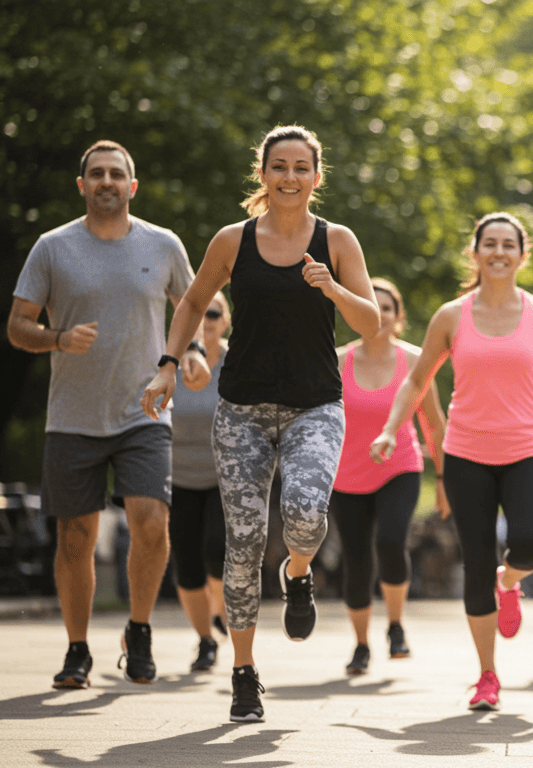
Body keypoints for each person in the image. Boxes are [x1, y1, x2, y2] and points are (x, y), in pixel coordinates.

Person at [141, 125, 381, 722]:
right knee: (242, 543)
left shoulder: (336, 240)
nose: (290, 177)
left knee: (305, 514)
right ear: (263, 173)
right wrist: (169, 363)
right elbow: (194, 301)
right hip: (242, 410)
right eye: (280, 166)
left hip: (315, 407)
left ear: (316, 177)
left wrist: (331, 288)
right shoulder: (233, 240)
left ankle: (297, 572)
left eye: (302, 167)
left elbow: (372, 322)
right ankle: (244, 674)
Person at [372, 212, 533, 712]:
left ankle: (510, 582)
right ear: (475, 253)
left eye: (508, 244)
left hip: (525, 450)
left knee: (530, 547)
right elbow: (416, 381)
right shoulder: (451, 316)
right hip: (465, 454)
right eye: (489, 244)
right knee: (476, 564)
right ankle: (487, 675)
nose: (498, 252)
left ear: (523, 255)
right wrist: (392, 428)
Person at [8, 140, 198, 689]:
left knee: (152, 522)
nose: (107, 181)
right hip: (72, 416)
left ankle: (138, 629)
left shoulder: (163, 245)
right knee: (75, 537)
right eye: (97, 174)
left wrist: (197, 355)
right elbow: (18, 325)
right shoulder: (52, 247)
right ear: (83, 185)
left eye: (117, 174)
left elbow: (196, 308)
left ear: (132, 186)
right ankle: (76, 650)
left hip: (145, 410)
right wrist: (59, 338)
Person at [330, 277, 448, 675]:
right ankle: (361, 645)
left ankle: (395, 626)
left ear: (398, 317)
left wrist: (446, 481)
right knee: (356, 559)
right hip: (346, 475)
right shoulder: (337, 360)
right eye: (369, 306)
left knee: (391, 540)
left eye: (386, 308)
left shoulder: (414, 360)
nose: (378, 314)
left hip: (400, 466)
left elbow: (433, 423)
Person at [169, 292, 234, 673]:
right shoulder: (170, 361)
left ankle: (222, 612)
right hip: (177, 476)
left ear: (225, 320)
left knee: (216, 549)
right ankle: (205, 640)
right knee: (188, 564)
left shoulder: (236, 362)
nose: (206, 320)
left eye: (214, 313)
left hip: (222, 477)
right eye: (198, 312)